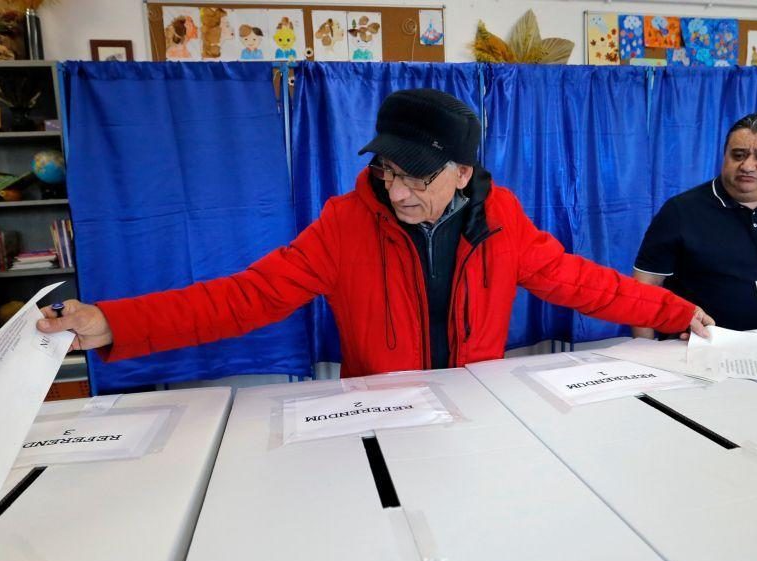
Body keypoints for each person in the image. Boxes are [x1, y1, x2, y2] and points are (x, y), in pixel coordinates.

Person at [39, 89, 712, 378]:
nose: (396, 192)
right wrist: (114, 322)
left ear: (461, 171)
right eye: (388, 171)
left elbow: (581, 283)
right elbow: (245, 298)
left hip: (477, 407)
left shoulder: (501, 219)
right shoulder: (343, 224)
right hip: (378, 415)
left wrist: (678, 314)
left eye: (416, 178)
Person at [632, 111, 757, 337]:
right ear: (724, 155)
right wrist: (645, 349)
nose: (747, 165)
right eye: (737, 155)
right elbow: (646, 285)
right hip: (700, 349)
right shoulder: (681, 211)